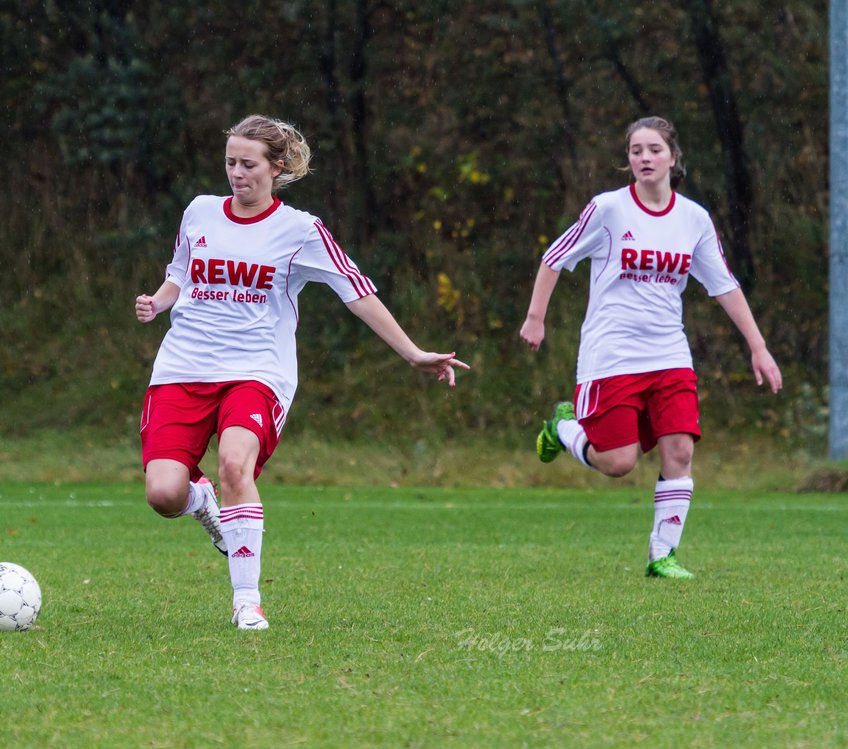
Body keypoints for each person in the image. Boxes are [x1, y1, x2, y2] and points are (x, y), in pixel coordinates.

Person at [136, 114, 468, 630]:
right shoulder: (199, 212)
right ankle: (203, 504)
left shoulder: (301, 230)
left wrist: (412, 352)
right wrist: (158, 303)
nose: (237, 173)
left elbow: (358, 293)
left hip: (257, 372)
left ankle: (246, 602)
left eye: (249, 164)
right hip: (182, 367)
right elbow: (179, 271)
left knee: (233, 465)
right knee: (164, 494)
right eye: (230, 163)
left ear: (278, 167)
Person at [520, 116, 782, 580]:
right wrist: (536, 317)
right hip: (612, 354)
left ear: (673, 158)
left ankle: (662, 556)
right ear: (628, 160)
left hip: (669, 355)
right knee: (618, 463)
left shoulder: (693, 218)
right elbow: (554, 258)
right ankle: (564, 428)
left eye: (654, 149)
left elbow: (723, 285)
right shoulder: (608, 209)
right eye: (636, 150)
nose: (644, 157)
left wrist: (758, 347)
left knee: (679, 450)